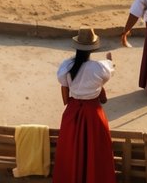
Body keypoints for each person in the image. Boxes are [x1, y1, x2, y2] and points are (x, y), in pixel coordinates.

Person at [52, 27, 116, 183]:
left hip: (73, 112)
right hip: (94, 113)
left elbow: (65, 89)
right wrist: (109, 60)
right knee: (96, 150)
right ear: (93, 48)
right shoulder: (100, 68)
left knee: (71, 150)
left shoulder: (66, 66)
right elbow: (108, 72)